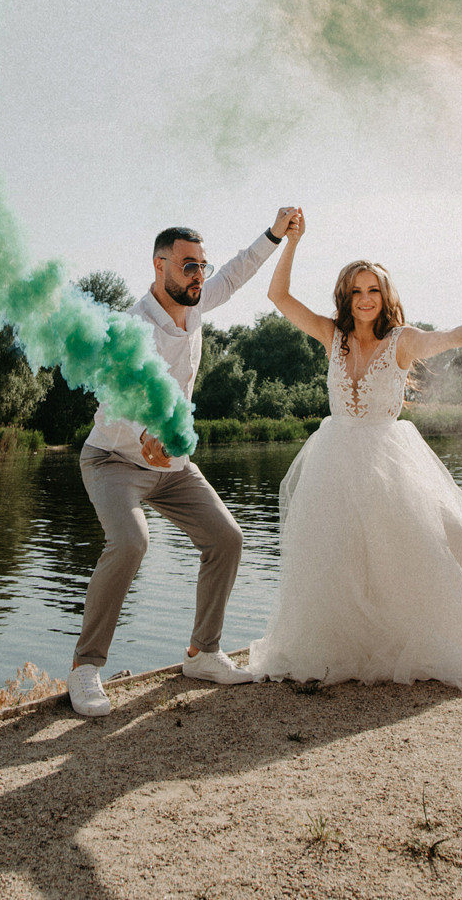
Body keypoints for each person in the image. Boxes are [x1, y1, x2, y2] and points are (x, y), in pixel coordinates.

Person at [247, 210, 462, 689]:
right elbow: (277, 296)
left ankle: (414, 641)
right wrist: (292, 242)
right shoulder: (333, 336)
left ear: (385, 296)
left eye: (374, 290)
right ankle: (340, 648)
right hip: (332, 458)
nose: (366, 299)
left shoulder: (402, 342)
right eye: (357, 291)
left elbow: (454, 337)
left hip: (386, 461)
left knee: (404, 556)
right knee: (334, 554)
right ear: (346, 297)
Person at [68, 210, 297, 718]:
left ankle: (203, 653)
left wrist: (275, 234)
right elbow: (117, 397)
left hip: (173, 467)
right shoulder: (132, 325)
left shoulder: (195, 307)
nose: (198, 275)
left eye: (201, 265)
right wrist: (146, 435)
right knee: (130, 541)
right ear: (159, 266)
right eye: (188, 265)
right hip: (113, 459)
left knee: (227, 539)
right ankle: (85, 667)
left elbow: (236, 274)